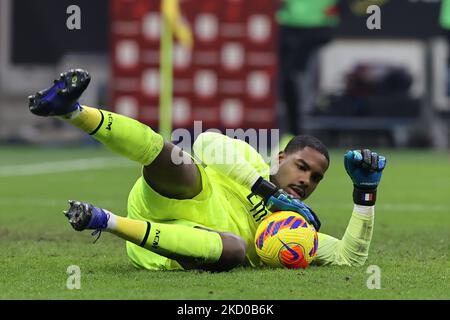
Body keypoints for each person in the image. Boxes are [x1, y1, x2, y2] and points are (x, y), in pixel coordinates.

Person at [28, 69, 386, 272]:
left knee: (234, 249)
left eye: (316, 178)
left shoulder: (295, 228)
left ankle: (104, 221)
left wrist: (365, 194)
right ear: (279, 159)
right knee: (179, 160)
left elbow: (348, 258)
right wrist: (267, 191)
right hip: (171, 197)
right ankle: (71, 111)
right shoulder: (251, 162)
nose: (306, 180)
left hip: (169, 245)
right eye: (302, 167)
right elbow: (206, 144)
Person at [276, 0, 340, 145]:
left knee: (296, 76)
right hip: (288, 25)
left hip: (318, 26)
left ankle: (300, 127)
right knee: (288, 78)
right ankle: (294, 130)